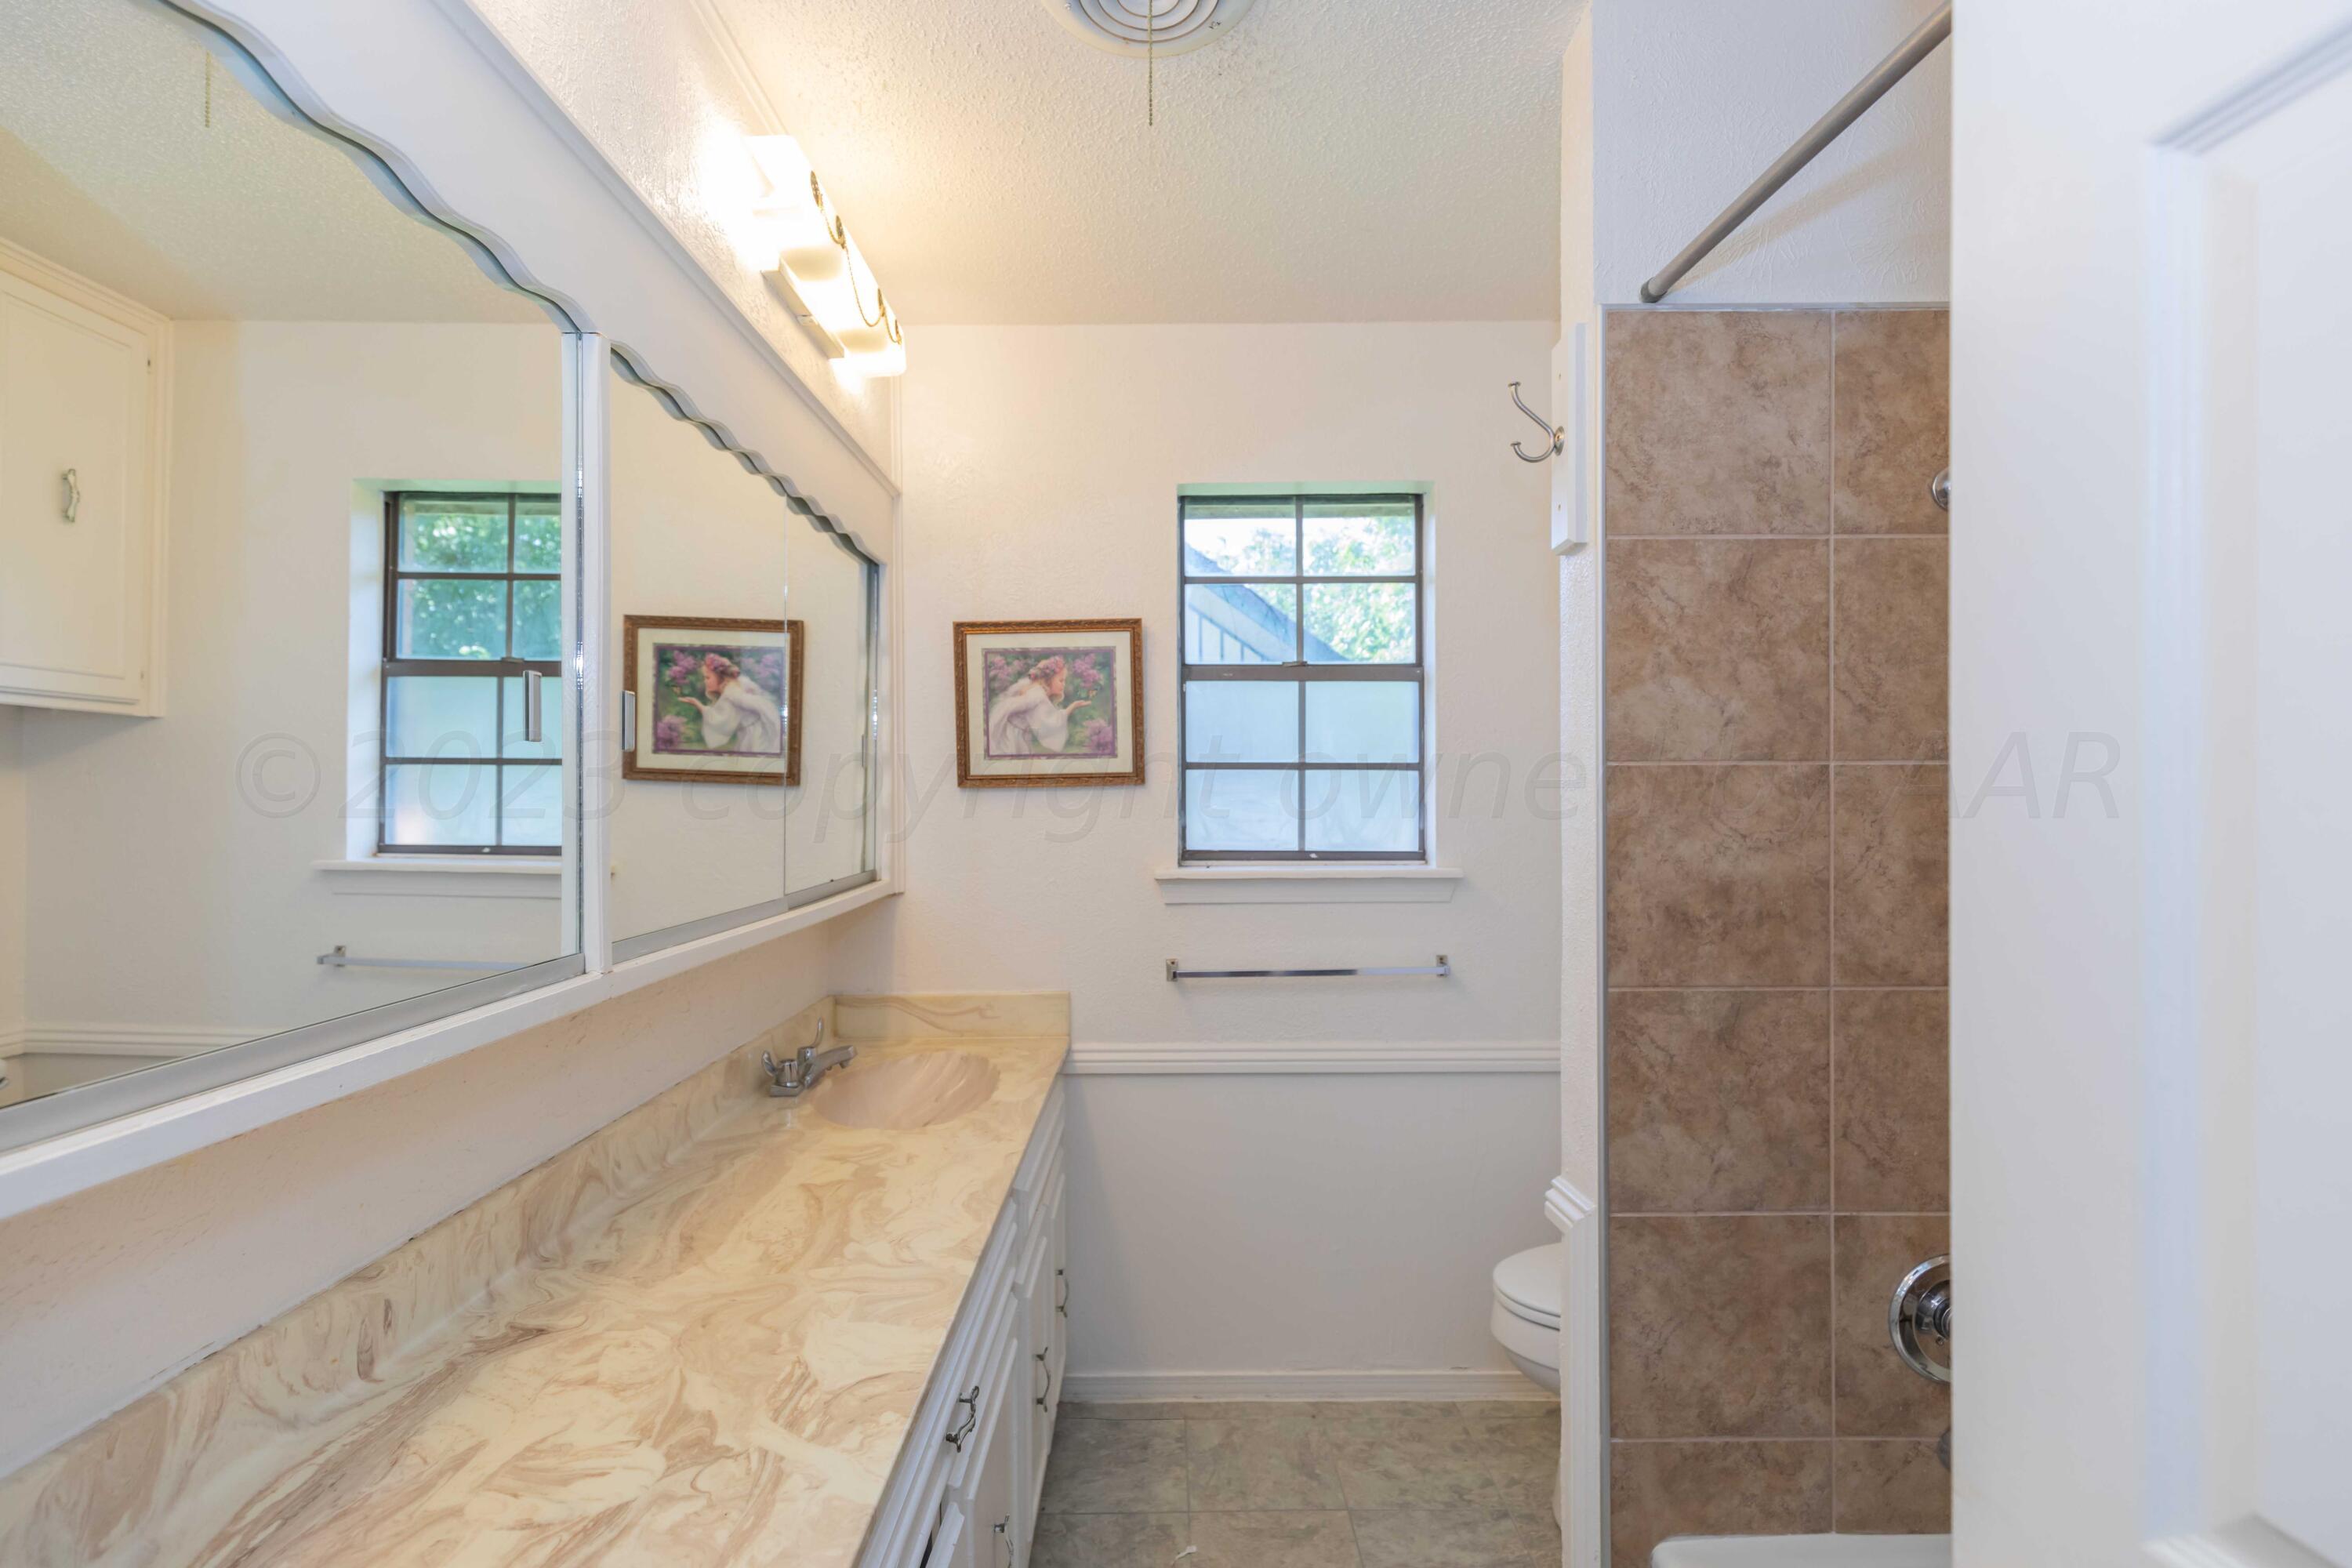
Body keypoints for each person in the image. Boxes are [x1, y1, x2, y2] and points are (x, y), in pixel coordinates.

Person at [682, 652, 782, 754]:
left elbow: (718, 720)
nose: (705, 682)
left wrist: (698, 704)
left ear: (721, 677)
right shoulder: (735, 687)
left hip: (755, 736)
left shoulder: (732, 693)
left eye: (708, 678)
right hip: (748, 733)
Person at [986, 655, 1083, 755]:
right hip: (1012, 736)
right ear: (1048, 679)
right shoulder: (1037, 694)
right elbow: (1052, 721)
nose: (1064, 684)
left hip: (1021, 735)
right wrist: (1072, 707)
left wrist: (1072, 707)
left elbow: (1050, 718)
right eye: (1061, 680)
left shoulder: (1039, 693)